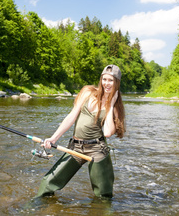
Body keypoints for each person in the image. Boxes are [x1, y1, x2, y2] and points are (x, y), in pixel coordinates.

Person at [36, 64, 125, 198]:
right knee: (48, 182)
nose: (107, 83)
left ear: (117, 83)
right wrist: (53, 138)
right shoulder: (87, 92)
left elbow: (107, 132)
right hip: (76, 147)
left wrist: (110, 105)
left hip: (97, 149)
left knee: (103, 194)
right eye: (104, 79)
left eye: (111, 80)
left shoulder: (115, 106)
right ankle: (35, 207)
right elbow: (71, 116)